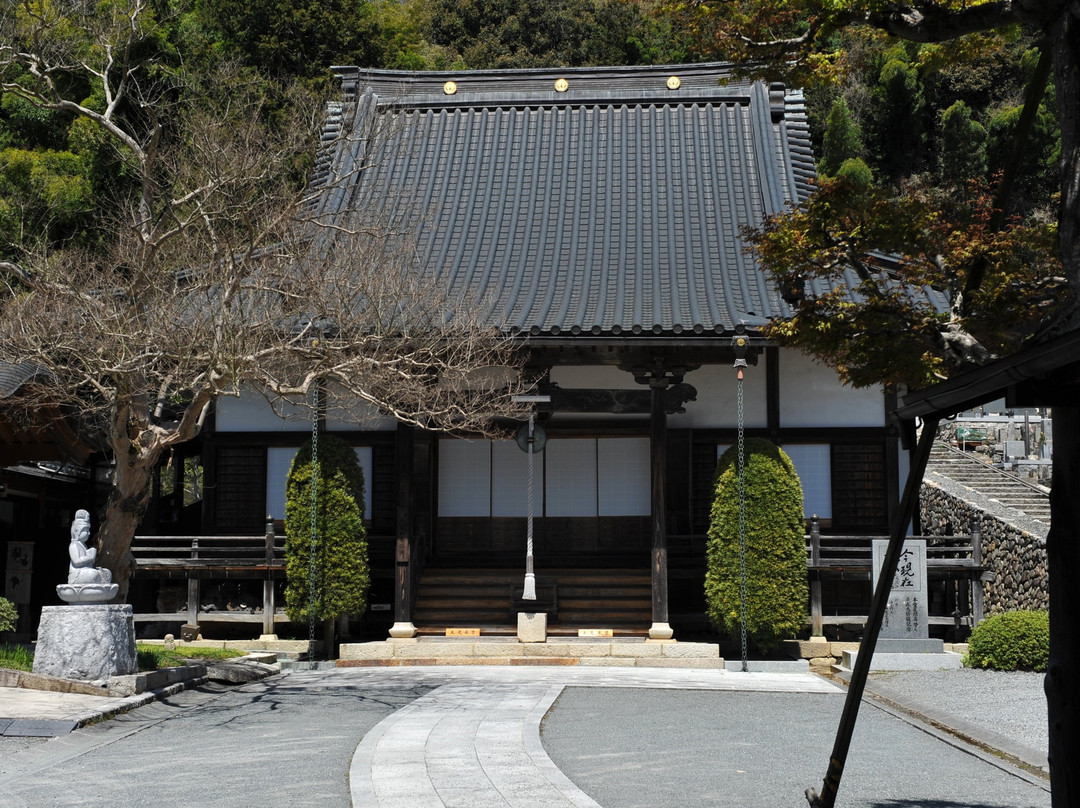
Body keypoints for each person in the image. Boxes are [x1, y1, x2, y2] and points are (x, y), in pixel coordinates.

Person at [67, 509, 112, 584]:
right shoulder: (74, 545)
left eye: (88, 530)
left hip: (85, 570)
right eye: (85, 530)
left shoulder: (84, 546)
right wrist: (90, 557)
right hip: (77, 574)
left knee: (106, 573)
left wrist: (92, 553)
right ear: (76, 532)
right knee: (92, 574)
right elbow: (77, 561)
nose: (89, 533)